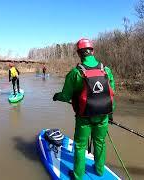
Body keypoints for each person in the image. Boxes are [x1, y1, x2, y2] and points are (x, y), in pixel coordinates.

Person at [53, 38, 116, 180]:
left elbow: (65, 96)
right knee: (100, 142)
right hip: (103, 116)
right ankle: (99, 171)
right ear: (92, 51)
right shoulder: (106, 70)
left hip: (84, 118)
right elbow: (112, 93)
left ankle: (78, 175)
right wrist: (110, 113)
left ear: (79, 54)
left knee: (80, 146)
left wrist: (56, 96)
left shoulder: (76, 73)